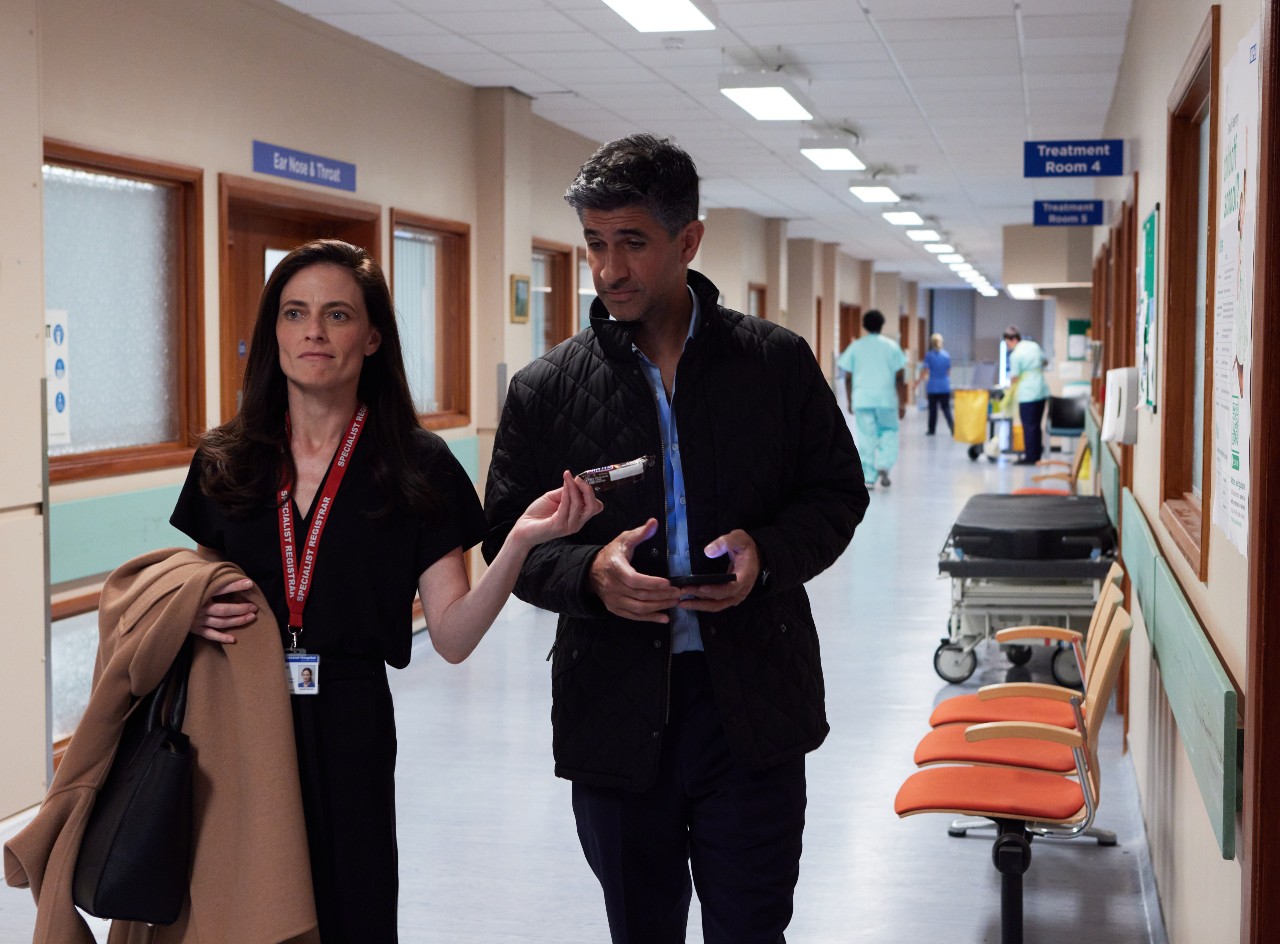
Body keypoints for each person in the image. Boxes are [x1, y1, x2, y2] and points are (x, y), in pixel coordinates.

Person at [483, 133, 868, 944]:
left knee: (751, 929)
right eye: (594, 243)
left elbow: (836, 492)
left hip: (753, 707)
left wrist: (766, 557)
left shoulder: (775, 364)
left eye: (632, 242)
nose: (609, 268)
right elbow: (506, 540)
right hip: (617, 716)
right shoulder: (546, 390)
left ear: (687, 241)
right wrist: (590, 574)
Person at [170, 238, 601, 943]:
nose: (313, 331)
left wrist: (518, 542)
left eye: (336, 315)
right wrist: (188, 613)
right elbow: (200, 588)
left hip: (349, 718)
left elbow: (453, 636)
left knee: (352, 911)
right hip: (238, 713)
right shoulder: (229, 460)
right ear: (271, 331)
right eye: (294, 313)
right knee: (242, 911)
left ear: (371, 337)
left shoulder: (415, 465)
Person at [837, 309, 908, 488]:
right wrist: (902, 402)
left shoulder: (856, 346)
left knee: (866, 436)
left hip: (862, 398)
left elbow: (847, 377)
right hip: (886, 399)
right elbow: (900, 377)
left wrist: (850, 400)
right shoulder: (892, 347)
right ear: (882, 325)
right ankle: (884, 464)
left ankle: (868, 476)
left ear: (864, 325)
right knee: (889, 431)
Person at [1003, 325, 1049, 465]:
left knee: (1028, 426)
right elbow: (1045, 361)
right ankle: (1037, 455)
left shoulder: (1016, 354)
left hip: (1028, 393)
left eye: (1007, 343)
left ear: (1012, 340)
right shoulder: (1033, 345)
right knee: (1037, 425)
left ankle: (1030, 457)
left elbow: (1014, 377)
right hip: (1041, 390)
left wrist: (1008, 391)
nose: (1008, 346)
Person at [914, 332, 954, 435]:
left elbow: (925, 372)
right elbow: (949, 372)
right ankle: (953, 428)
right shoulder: (946, 355)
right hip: (944, 386)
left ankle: (931, 430)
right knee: (946, 409)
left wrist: (916, 383)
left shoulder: (929, 355)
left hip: (933, 386)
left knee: (933, 410)